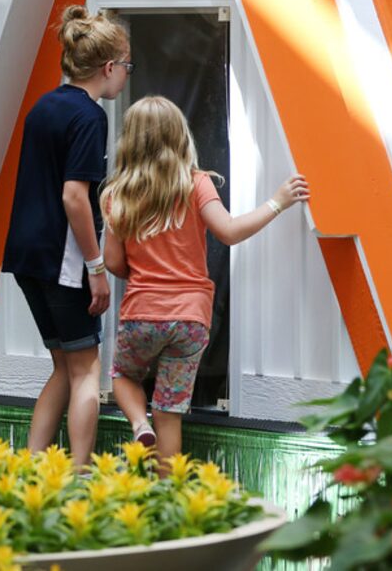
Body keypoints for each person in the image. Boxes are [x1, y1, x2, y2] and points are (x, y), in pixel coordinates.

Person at [101, 96, 308, 469]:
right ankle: (170, 497)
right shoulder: (197, 184)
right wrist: (277, 202)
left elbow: (114, 262)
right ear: (180, 137)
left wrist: (147, 268)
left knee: (124, 377)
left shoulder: (116, 194)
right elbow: (228, 231)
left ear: (128, 141)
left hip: (141, 314)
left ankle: (137, 423)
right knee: (170, 410)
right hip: (191, 319)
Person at [2, 5, 129, 467]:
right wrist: (96, 268)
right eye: (126, 65)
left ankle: (33, 468)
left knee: (63, 365)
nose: (124, 76)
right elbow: (75, 196)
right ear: (109, 67)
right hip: (63, 261)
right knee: (87, 372)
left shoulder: (44, 106)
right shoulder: (90, 118)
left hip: (25, 256)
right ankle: (76, 475)